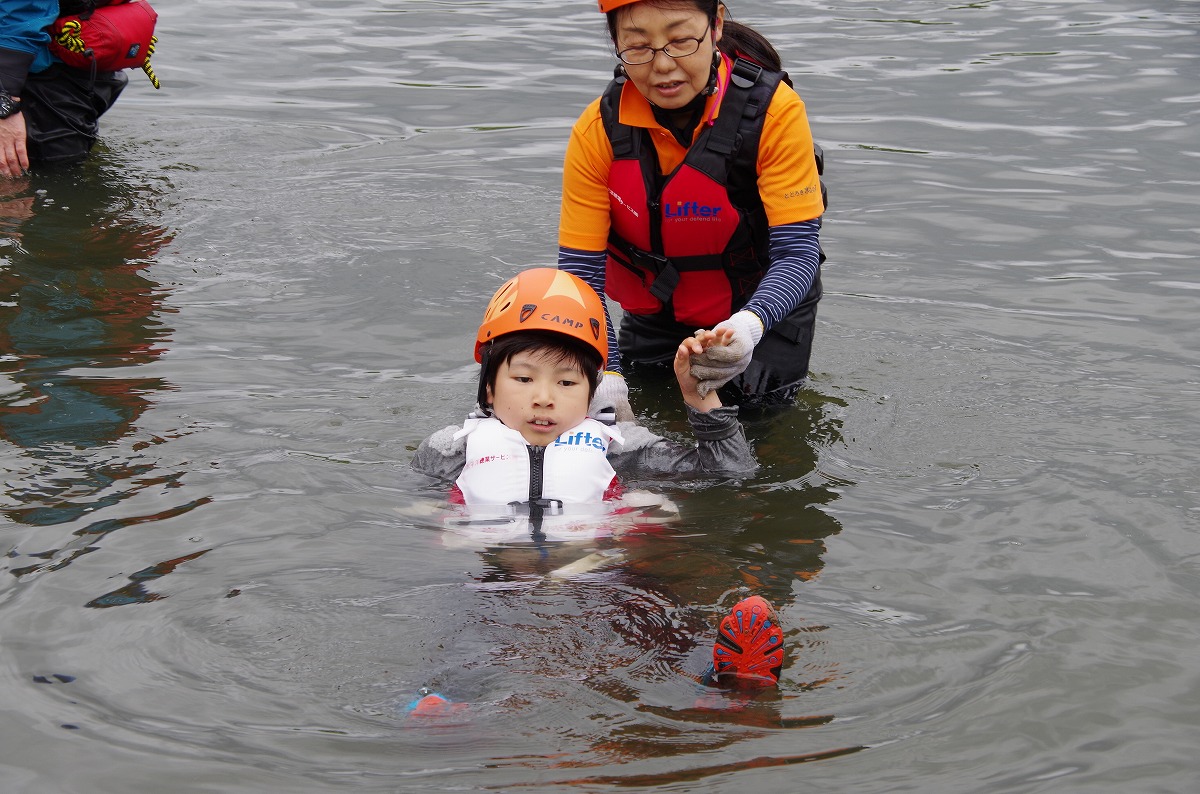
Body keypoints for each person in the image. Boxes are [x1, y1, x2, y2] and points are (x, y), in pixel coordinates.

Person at [410, 267, 784, 687]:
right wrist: (435, 521)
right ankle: (440, 702)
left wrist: (698, 395)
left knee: (659, 618)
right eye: (523, 378)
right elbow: (419, 503)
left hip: (601, 573)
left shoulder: (619, 446)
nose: (544, 397)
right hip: (494, 577)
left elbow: (731, 474)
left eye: (567, 382)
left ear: (592, 394)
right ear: (489, 389)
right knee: (463, 634)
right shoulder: (450, 450)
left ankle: (725, 677)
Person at [557, 0, 827, 417]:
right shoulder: (597, 131)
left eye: (681, 40)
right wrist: (604, 373)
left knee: (756, 428)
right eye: (638, 47)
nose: (662, 65)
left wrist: (746, 327)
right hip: (659, 310)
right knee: (632, 414)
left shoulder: (777, 112)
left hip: (764, 307)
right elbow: (581, 274)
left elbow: (798, 253)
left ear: (716, 23)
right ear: (615, 43)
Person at [0, 0, 131, 176]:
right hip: (78, 75)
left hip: (39, 83)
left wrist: (5, 105)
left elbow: (21, 17)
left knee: (37, 178)